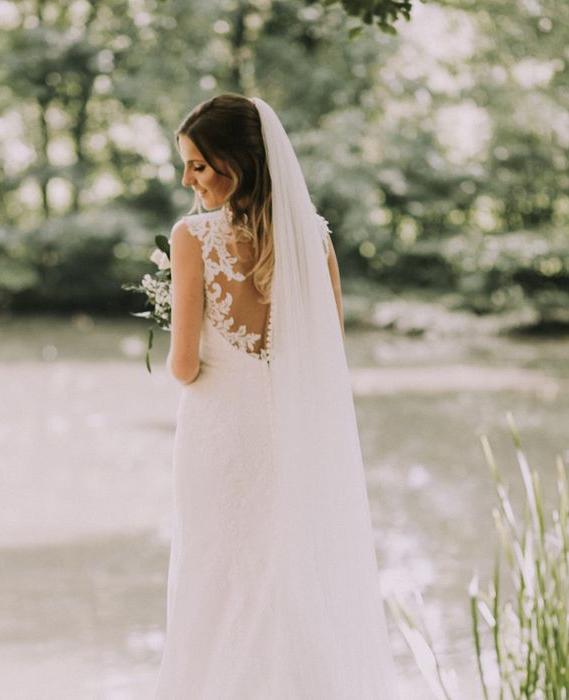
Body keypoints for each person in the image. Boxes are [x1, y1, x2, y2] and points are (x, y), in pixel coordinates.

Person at [154, 93, 400, 699]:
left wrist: (173, 325)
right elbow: (328, 354)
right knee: (291, 573)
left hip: (221, 438)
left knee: (217, 578)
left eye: (200, 165)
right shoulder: (313, 239)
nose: (187, 178)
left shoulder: (192, 237)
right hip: (295, 432)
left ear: (240, 163)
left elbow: (184, 367)